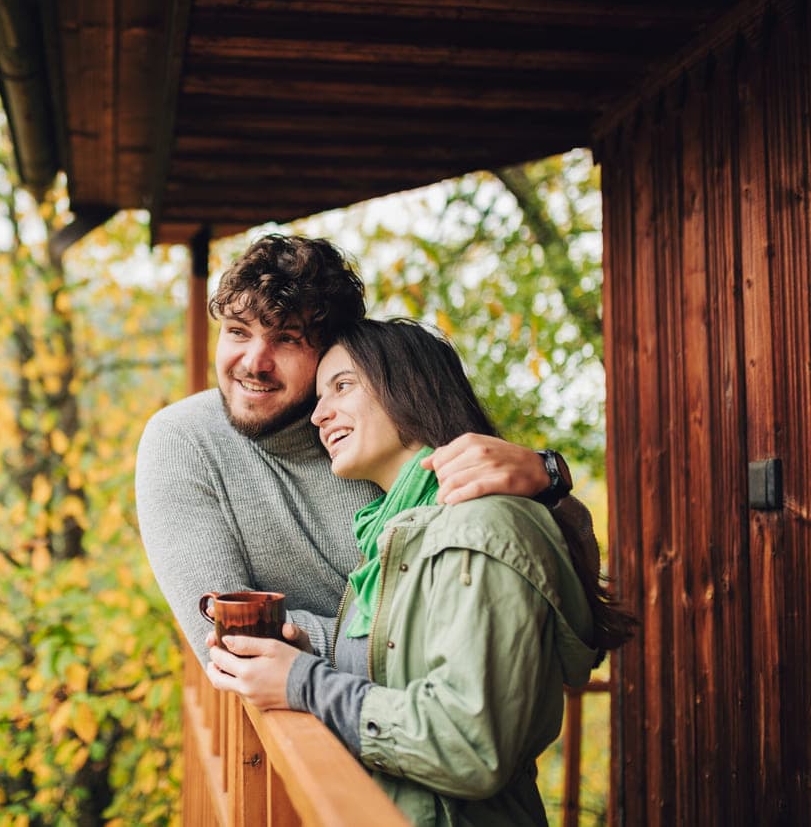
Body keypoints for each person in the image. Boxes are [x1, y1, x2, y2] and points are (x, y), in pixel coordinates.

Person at [204, 318, 635, 825]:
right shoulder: (393, 534)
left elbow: (470, 745)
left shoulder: (479, 526)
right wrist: (308, 659)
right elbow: (408, 684)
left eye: (342, 386)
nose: (320, 414)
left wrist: (305, 682)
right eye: (319, 396)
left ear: (408, 388)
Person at [136, 234, 592, 666]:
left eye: (287, 338)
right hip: (325, 732)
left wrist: (548, 477)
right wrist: (425, 649)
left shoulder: (382, 427)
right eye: (237, 331)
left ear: (332, 348)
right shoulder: (182, 440)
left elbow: (552, 609)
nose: (254, 361)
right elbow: (228, 636)